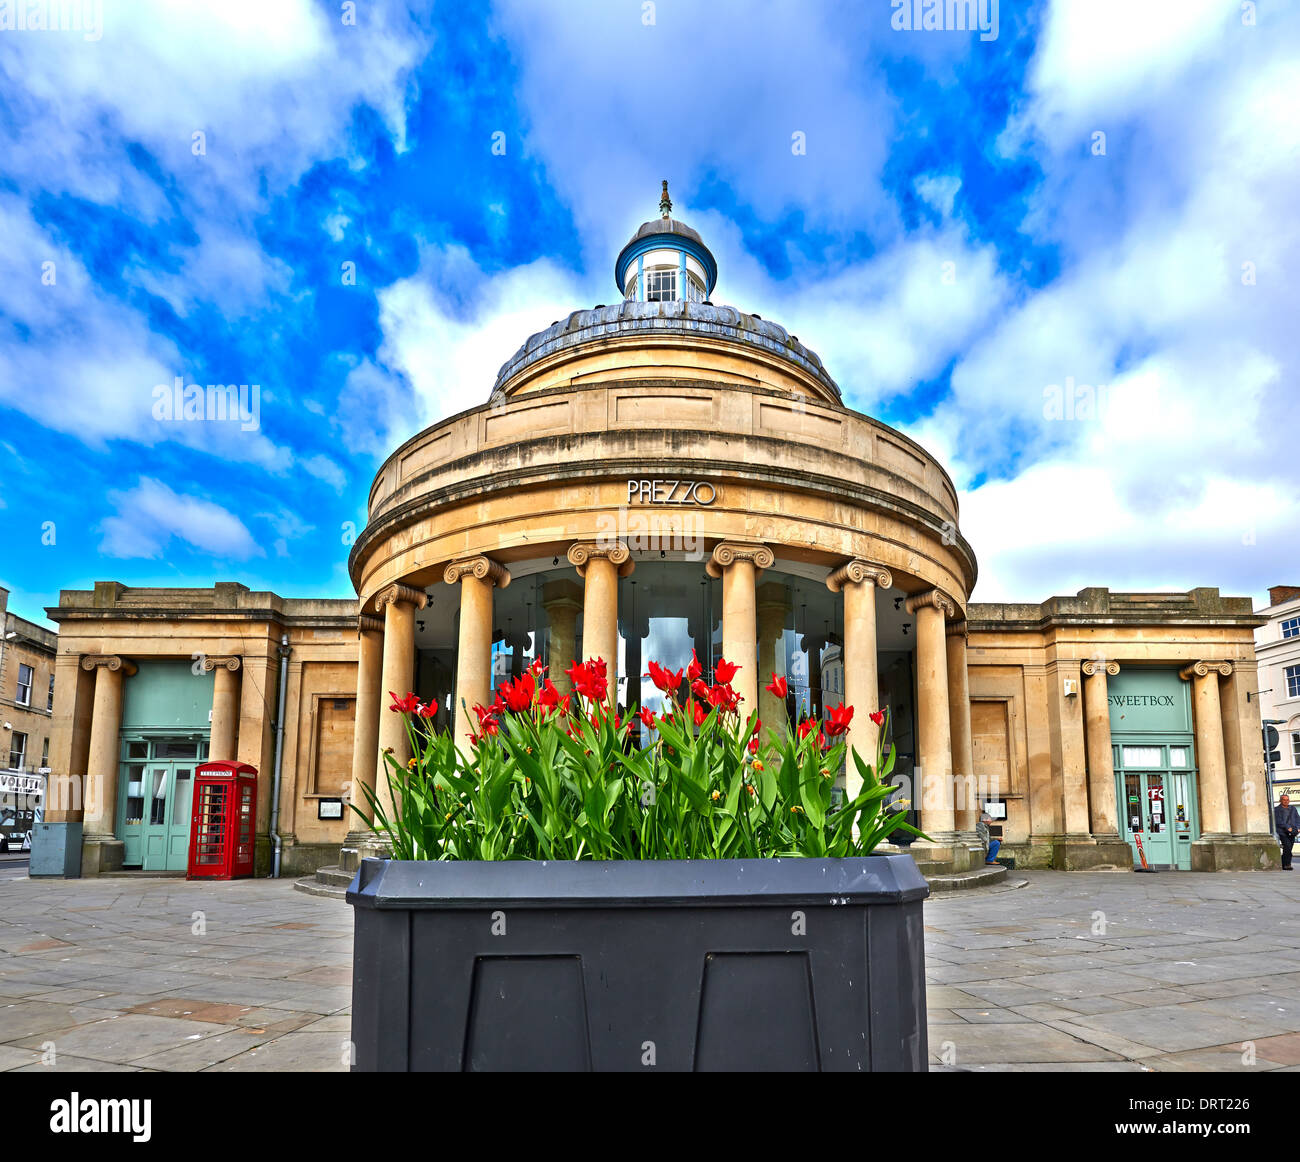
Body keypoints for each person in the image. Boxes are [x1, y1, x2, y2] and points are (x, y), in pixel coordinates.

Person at [1275, 794, 1300, 871]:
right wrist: (1287, 827)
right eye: (1284, 800)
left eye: (1287, 800)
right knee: (1287, 846)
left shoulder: (1293, 808)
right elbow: (1278, 821)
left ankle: (1283, 863)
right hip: (1282, 832)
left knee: (1289, 848)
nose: (1286, 801)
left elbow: (1298, 819)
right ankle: (1287, 864)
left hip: (1293, 831)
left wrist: (1299, 827)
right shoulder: (1276, 809)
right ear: (1280, 801)